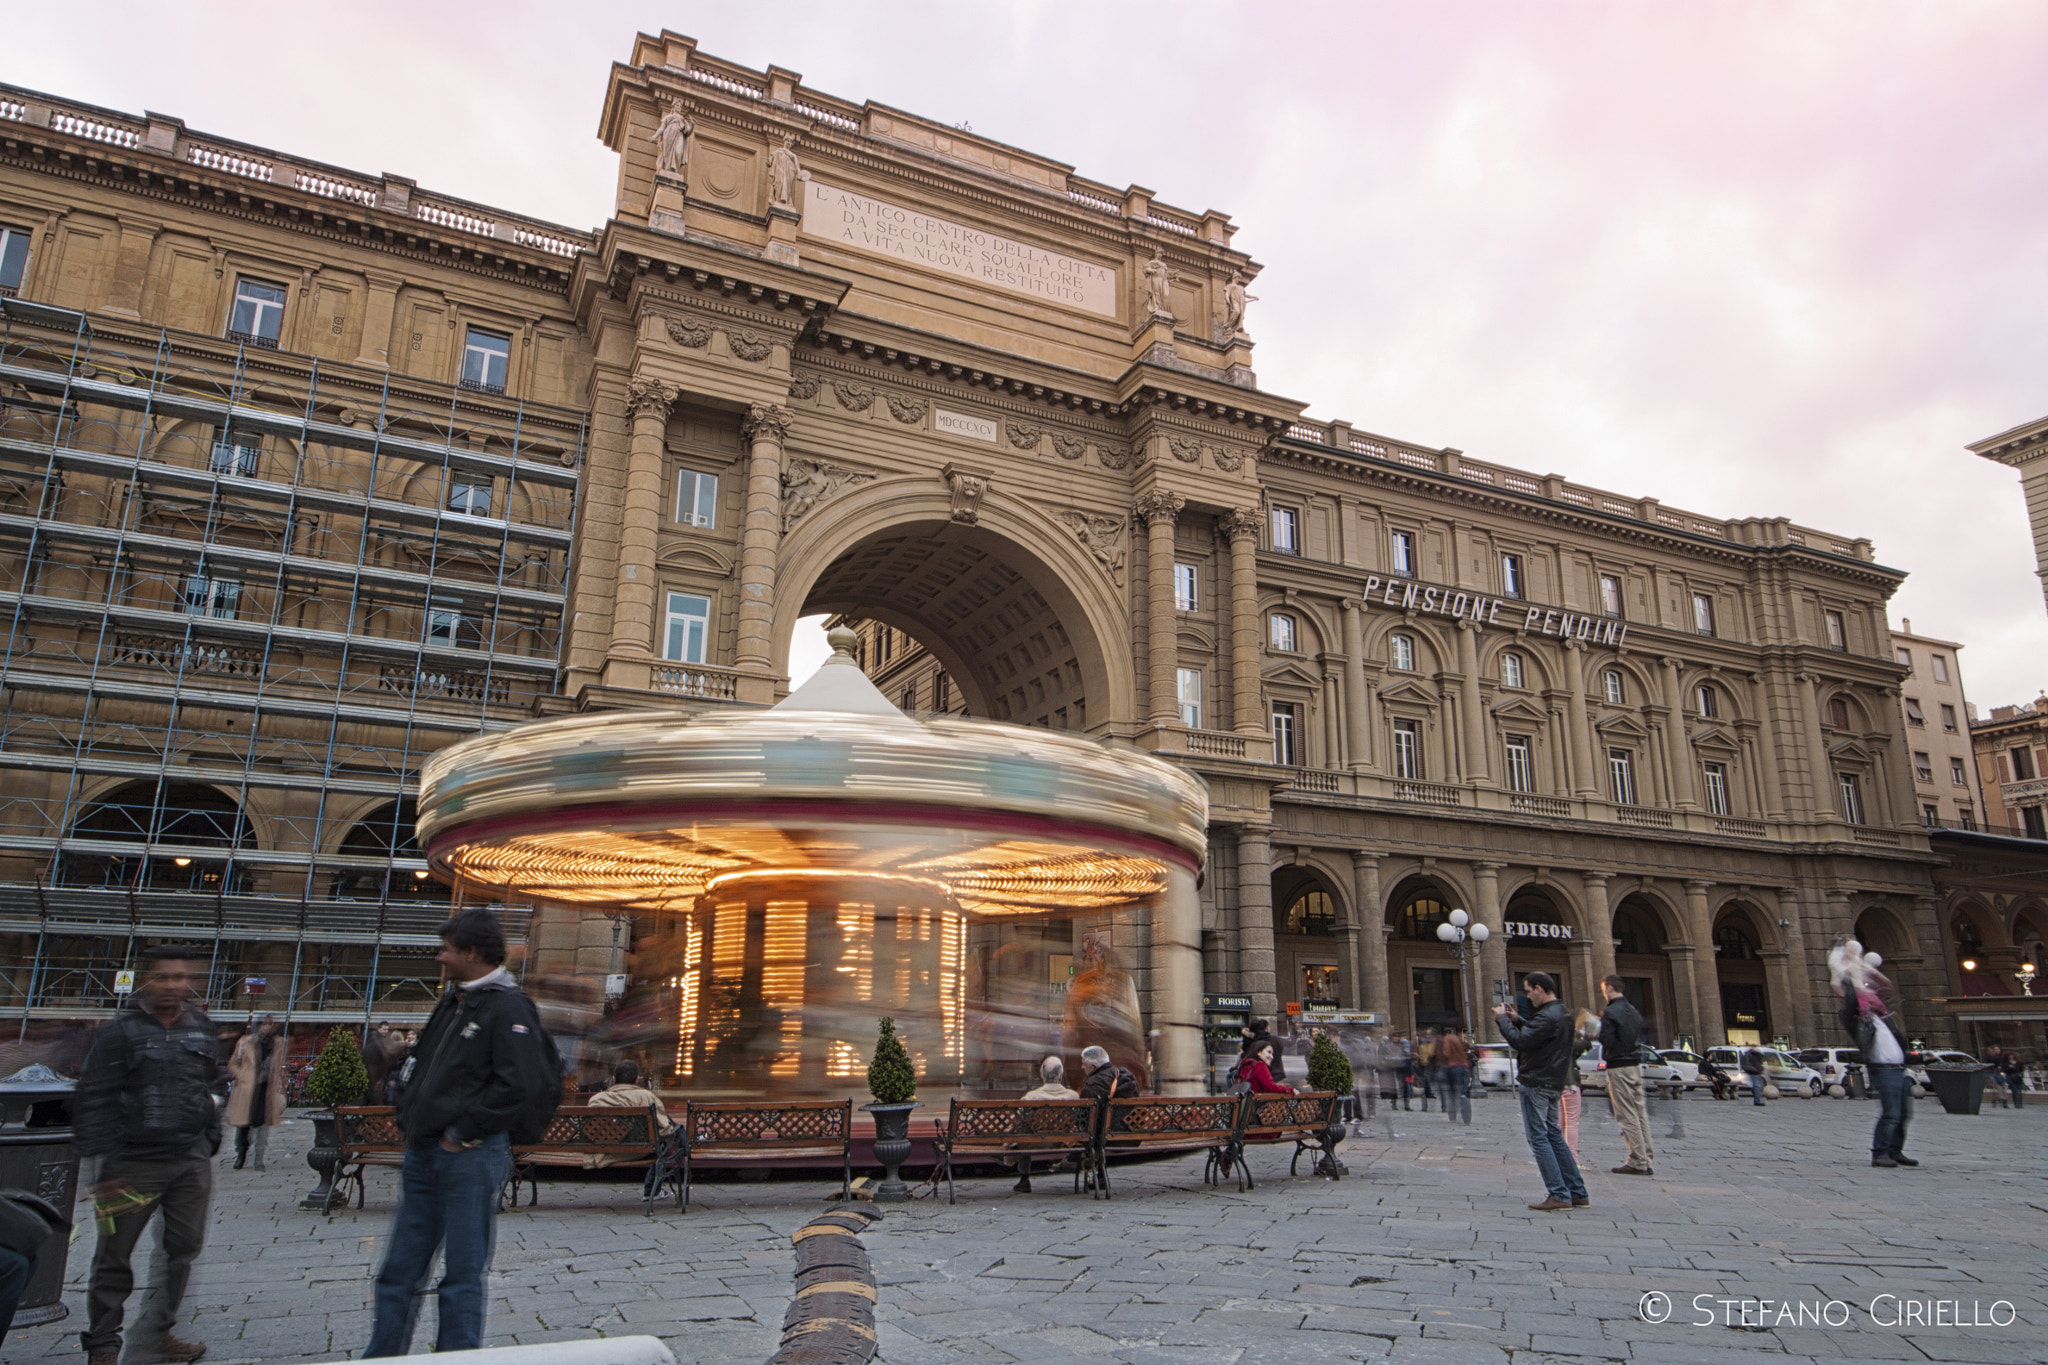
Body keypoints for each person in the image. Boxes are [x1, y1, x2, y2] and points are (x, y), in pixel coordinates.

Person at [366, 910, 561, 1358]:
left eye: (448, 949)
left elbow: (520, 1082)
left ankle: (456, 1355)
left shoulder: (509, 1007)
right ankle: (382, 1356)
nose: (440, 957)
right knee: (398, 1270)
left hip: (466, 1156)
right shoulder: (455, 1001)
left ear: (471, 953)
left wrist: (464, 1131)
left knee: (462, 1273)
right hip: (425, 1151)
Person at [75, 944, 225, 1365]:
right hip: (130, 1163)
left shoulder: (201, 1027)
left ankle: (157, 1332)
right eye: (164, 976)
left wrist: (209, 1137)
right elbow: (93, 1097)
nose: (174, 985)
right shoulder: (120, 1032)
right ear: (146, 979)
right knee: (113, 1255)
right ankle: (103, 1343)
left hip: (188, 1160)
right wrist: (103, 1165)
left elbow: (211, 1085)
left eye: (181, 977)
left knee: (182, 1251)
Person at [1493, 972, 1589, 1212]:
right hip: (1554, 1082)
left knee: (1539, 1138)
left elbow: (1522, 1042)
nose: (1528, 996)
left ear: (1539, 988)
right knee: (1554, 1135)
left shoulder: (1547, 1016)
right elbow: (1539, 1036)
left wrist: (1503, 1020)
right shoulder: (1562, 1013)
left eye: (1528, 991)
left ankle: (1558, 1193)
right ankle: (1577, 1192)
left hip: (1537, 1081)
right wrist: (1519, 1020)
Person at [1831, 947, 1918, 1169]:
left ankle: (1895, 1150)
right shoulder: (1859, 1021)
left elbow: (1888, 993)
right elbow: (1850, 1000)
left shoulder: (1886, 1020)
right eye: (1867, 999)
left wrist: (1917, 1058)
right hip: (1883, 1069)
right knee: (1891, 1113)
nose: (1871, 1000)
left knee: (1904, 1115)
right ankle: (1880, 1153)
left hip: (1900, 1068)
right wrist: (1849, 971)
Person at [1597, 977, 1654, 1175]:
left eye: (1604, 989)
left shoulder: (1610, 1011)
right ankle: (1646, 1157)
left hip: (1619, 1066)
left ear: (1610, 988)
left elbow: (1607, 1040)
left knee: (1626, 1114)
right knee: (1640, 1113)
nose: (1603, 992)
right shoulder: (1633, 1010)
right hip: (1635, 1066)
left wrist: (1595, 1029)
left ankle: (1638, 1161)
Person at [1010, 1056, 1081, 1193]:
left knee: (1024, 1133)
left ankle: (1024, 1179)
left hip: (1032, 1143)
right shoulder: (1073, 1097)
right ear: (1061, 1076)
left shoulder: (1030, 1097)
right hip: (1061, 1142)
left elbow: (1018, 1121)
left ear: (1042, 1075)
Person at [226, 1015, 285, 1171]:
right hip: (248, 1089)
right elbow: (233, 1062)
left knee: (263, 1125)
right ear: (259, 1025)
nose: (268, 1026)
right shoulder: (246, 1042)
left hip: (266, 1089)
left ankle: (259, 1159)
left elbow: (278, 1065)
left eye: (271, 1023)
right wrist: (242, 1075)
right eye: (265, 1023)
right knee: (244, 1124)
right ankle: (241, 1155)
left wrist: (279, 1084)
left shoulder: (278, 1043)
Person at [1438, 1027, 1472, 1125]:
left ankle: (1453, 1116)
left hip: (1453, 1067)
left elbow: (1446, 1053)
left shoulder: (1447, 1039)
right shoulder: (1458, 1039)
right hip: (1464, 1067)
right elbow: (1467, 1048)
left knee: (1452, 1093)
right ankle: (1466, 1116)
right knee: (1463, 1092)